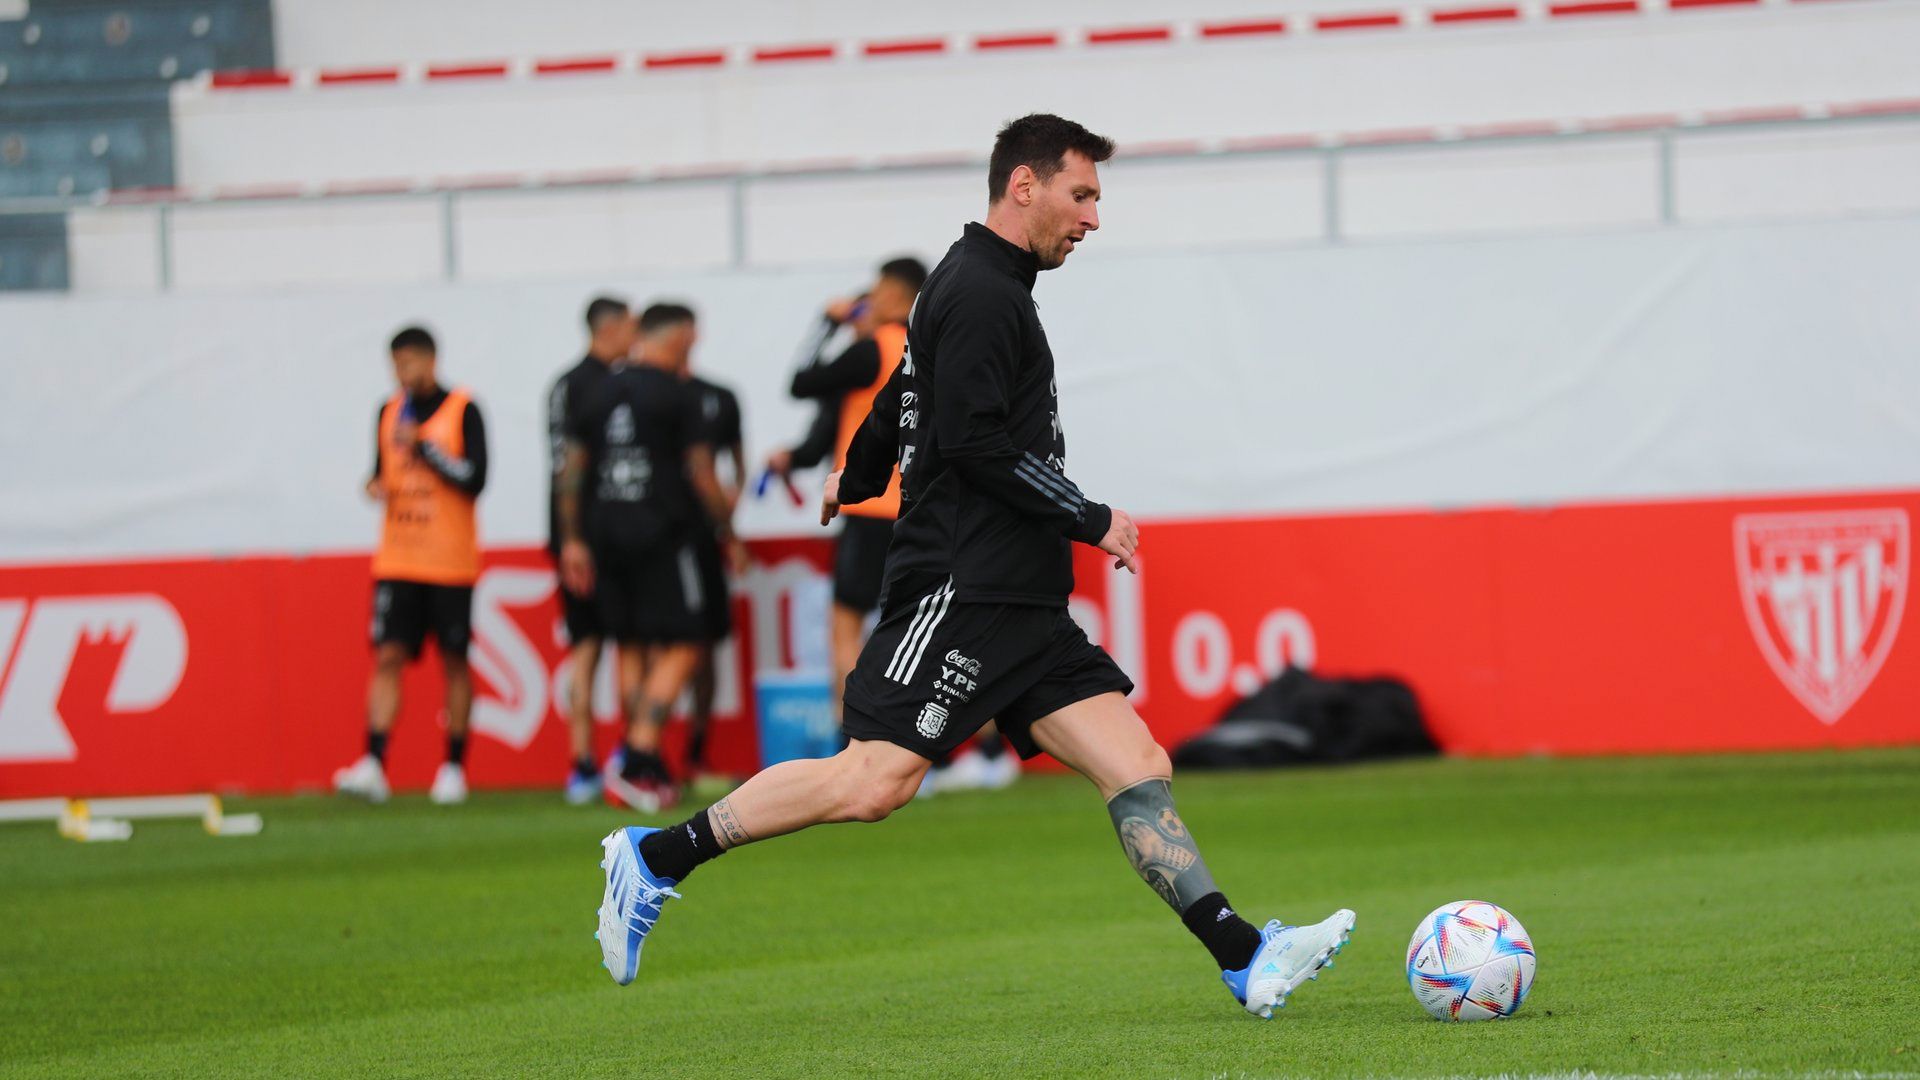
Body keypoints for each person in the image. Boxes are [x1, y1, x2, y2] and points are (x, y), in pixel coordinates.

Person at [592, 115, 1355, 1018]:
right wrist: (1089, 515)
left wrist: (862, 471)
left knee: (1136, 761)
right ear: (1023, 185)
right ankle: (652, 858)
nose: (1094, 219)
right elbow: (975, 441)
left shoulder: (973, 283)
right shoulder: (984, 291)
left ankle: (1243, 957)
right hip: (961, 583)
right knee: (874, 780)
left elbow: (906, 391)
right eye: (1083, 195)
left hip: (1022, 597)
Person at [558, 303, 739, 813]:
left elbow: (570, 472)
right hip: (664, 534)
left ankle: (641, 764)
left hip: (605, 535)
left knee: (631, 645)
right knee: (686, 642)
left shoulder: (594, 391)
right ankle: (637, 754)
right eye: (692, 335)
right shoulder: (677, 395)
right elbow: (702, 471)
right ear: (677, 336)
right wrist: (728, 527)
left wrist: (572, 538)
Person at [766, 260, 926, 729]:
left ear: (895, 296)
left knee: (846, 626)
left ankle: (858, 736)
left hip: (872, 507)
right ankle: (963, 749)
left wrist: (827, 323)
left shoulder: (873, 349)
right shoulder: (931, 347)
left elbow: (801, 382)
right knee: (924, 632)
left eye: (875, 293)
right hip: (922, 506)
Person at [335, 326, 488, 805]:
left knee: (454, 661)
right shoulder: (386, 412)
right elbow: (379, 473)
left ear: (430, 360)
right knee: (387, 656)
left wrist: (425, 447)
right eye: (396, 365)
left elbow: (475, 478)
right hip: (398, 557)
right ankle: (374, 762)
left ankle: (452, 768)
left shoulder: (463, 408)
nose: (403, 374)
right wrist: (373, 486)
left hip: (449, 563)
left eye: (410, 363)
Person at [548, 297, 635, 804]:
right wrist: (576, 538)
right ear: (613, 328)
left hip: (573, 532)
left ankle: (582, 763)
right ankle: (617, 758)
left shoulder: (563, 383)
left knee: (587, 646)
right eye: (631, 325)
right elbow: (571, 467)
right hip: (595, 534)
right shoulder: (602, 386)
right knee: (612, 643)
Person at [677, 349, 747, 782]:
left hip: (701, 540)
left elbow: (731, 465)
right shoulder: (637, 396)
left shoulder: (717, 398)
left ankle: (692, 755)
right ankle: (644, 758)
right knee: (675, 647)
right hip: (667, 542)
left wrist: (728, 514)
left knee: (702, 644)